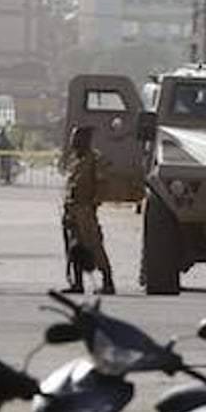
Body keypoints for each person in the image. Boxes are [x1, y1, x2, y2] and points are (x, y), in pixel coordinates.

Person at [62, 125, 114, 294]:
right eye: (72, 138)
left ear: (86, 140)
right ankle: (77, 284)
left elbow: (102, 185)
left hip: (85, 209)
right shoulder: (75, 160)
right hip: (72, 209)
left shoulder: (95, 160)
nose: (73, 142)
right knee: (74, 248)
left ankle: (107, 281)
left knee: (94, 246)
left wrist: (93, 204)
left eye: (77, 138)